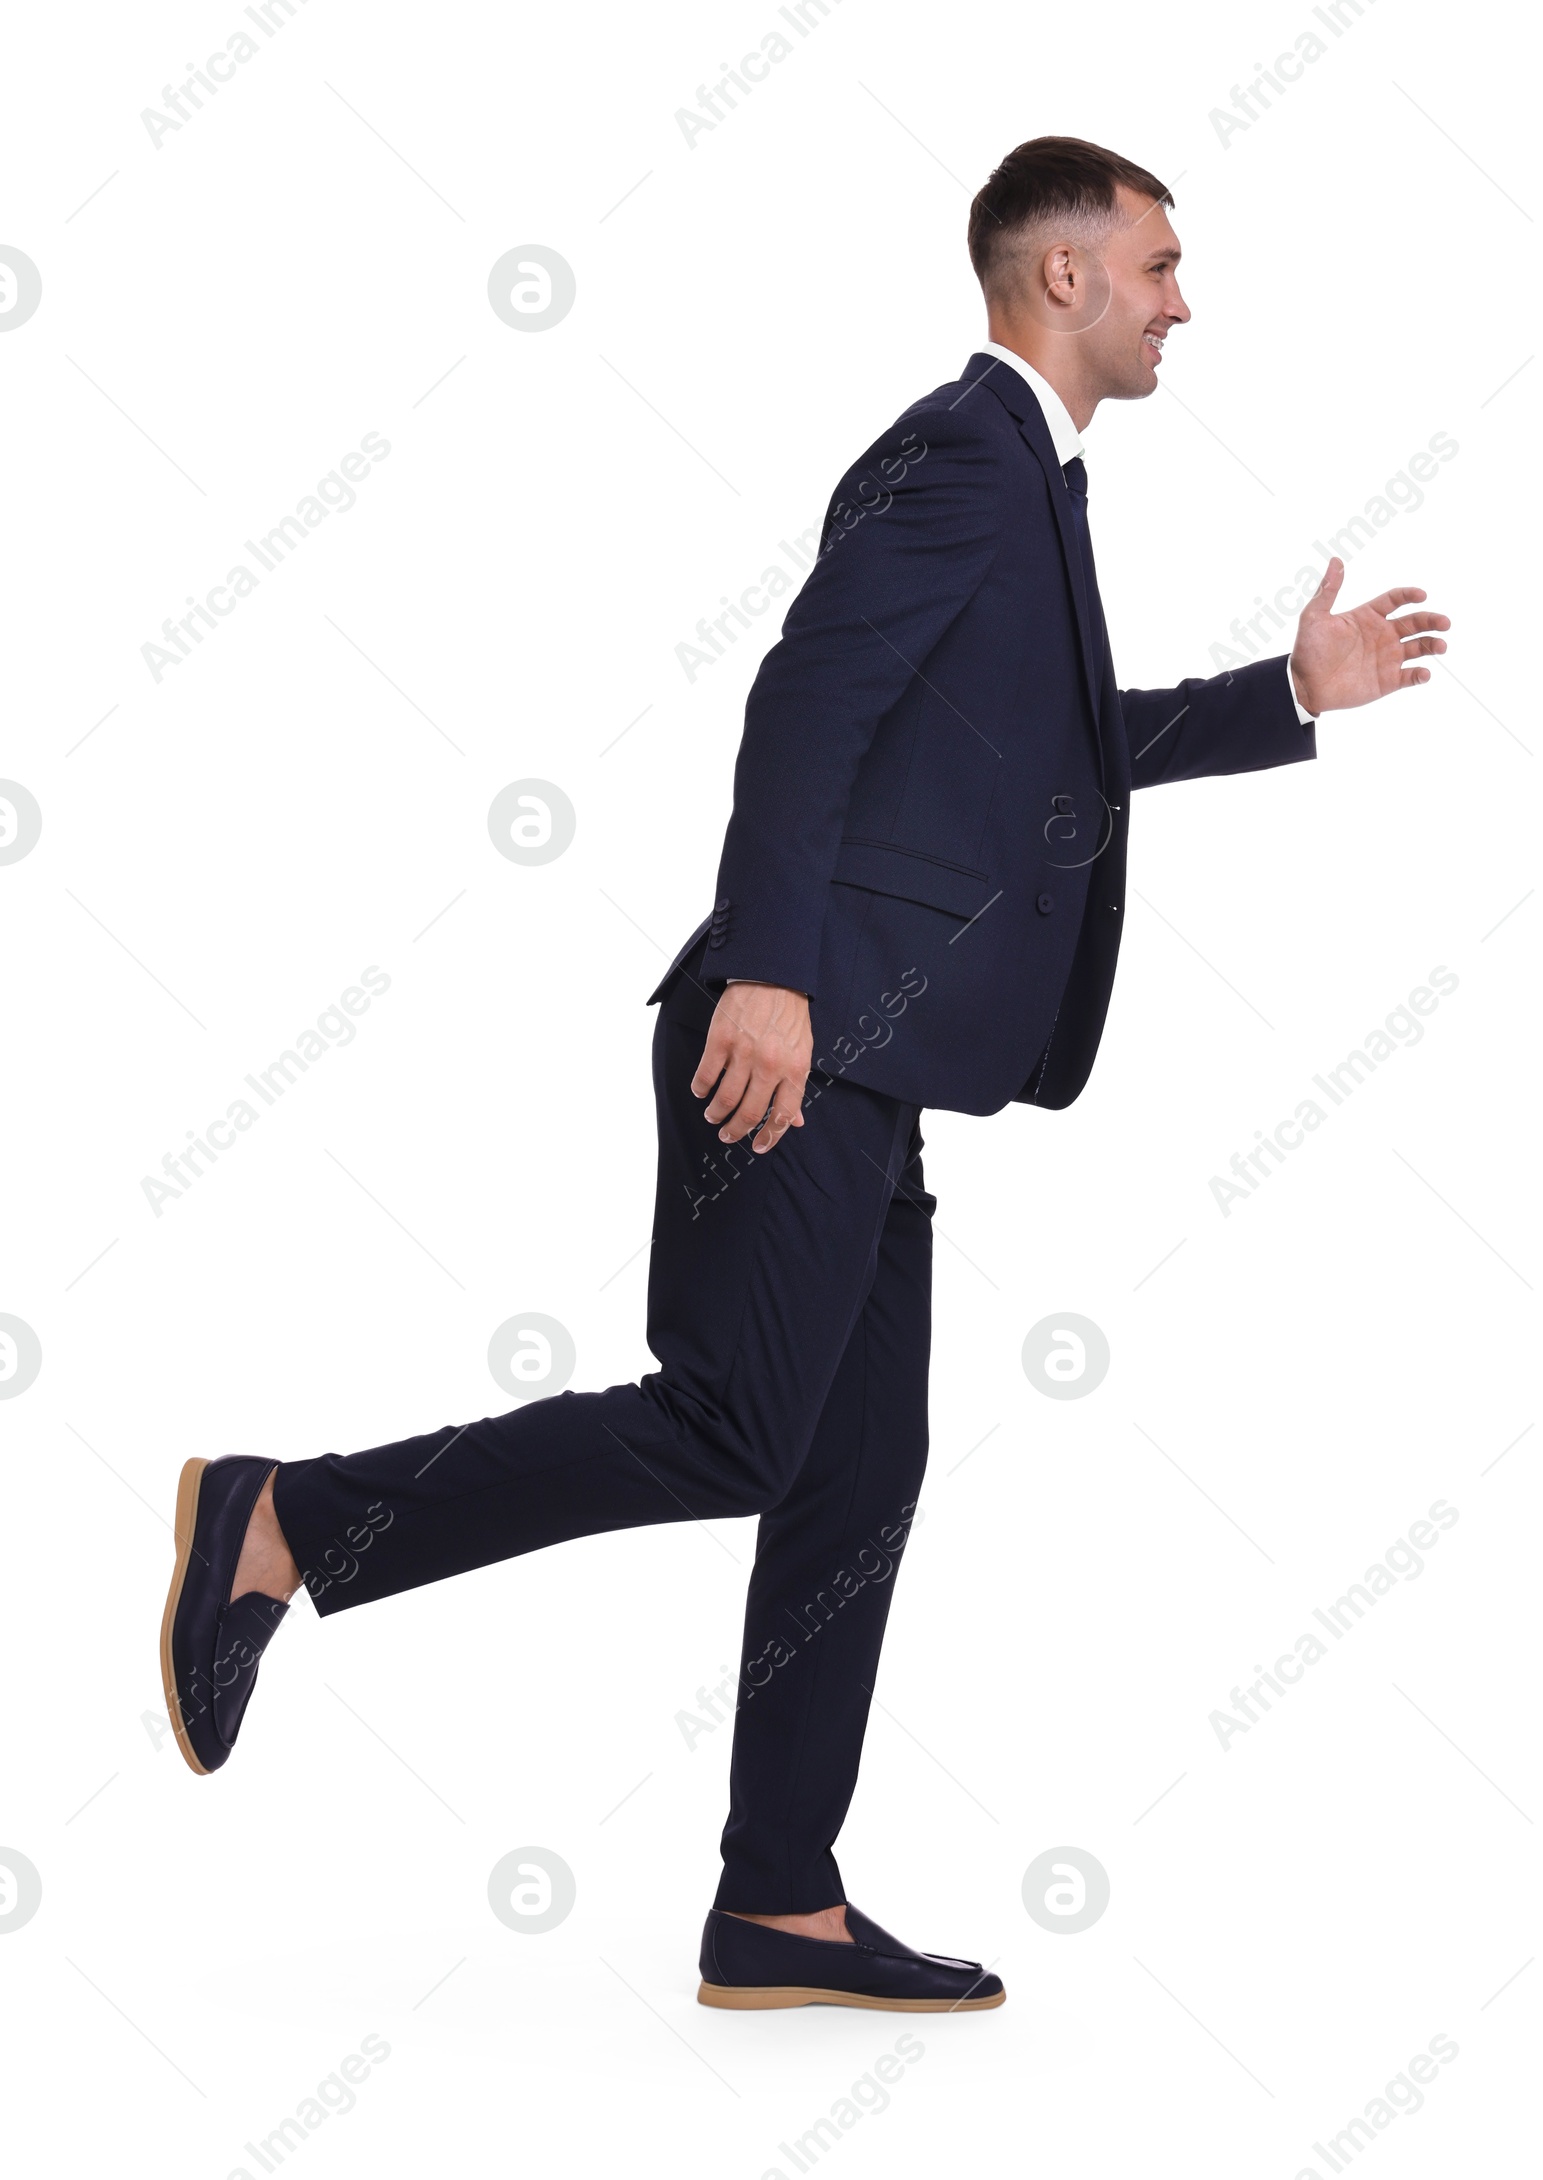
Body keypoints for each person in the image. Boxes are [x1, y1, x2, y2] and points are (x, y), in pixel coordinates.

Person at [159, 135, 1448, 2013]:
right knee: (738, 1429)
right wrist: (768, 970)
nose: (1186, 301)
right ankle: (283, 1518)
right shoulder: (964, 452)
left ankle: (777, 1901)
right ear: (1062, 278)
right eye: (1162, 265)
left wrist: (1292, 695)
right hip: (798, 1030)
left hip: (871, 1057)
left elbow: (1060, 756)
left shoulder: (1037, 487)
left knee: (853, 1469)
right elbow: (803, 696)